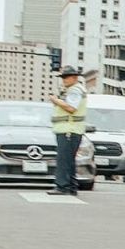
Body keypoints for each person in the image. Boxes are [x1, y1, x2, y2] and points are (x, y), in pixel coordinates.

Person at [49, 66, 88, 195]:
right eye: (62, 77)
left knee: (64, 160)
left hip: (69, 130)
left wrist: (56, 100)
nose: (63, 80)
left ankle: (62, 186)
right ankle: (71, 186)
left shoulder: (74, 90)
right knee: (69, 160)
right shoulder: (74, 90)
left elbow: (71, 108)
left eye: (66, 77)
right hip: (71, 130)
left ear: (74, 77)